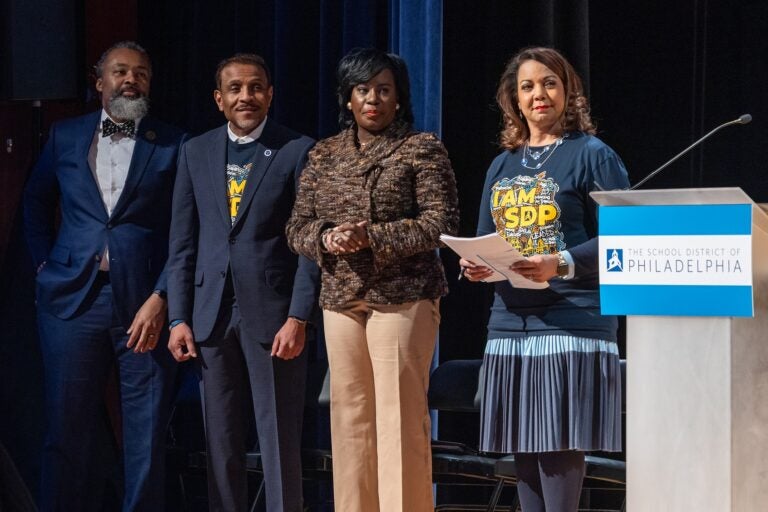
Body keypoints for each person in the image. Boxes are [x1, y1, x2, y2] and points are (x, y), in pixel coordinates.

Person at [286, 47, 459, 512]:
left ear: (399, 99)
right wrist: (327, 237)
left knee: (398, 419)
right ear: (348, 98)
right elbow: (297, 227)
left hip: (402, 297)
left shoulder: (422, 147)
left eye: (384, 90)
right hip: (341, 297)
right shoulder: (323, 154)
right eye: (363, 90)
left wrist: (372, 237)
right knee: (350, 421)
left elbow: (440, 223)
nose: (373, 99)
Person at [460, 46, 629, 511]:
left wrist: (562, 263)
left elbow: (627, 236)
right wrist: (476, 265)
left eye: (550, 83)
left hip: (572, 321)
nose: (539, 94)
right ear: (514, 100)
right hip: (509, 324)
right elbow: (483, 237)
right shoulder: (502, 164)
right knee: (526, 454)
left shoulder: (592, 154)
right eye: (528, 86)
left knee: (557, 447)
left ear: (567, 90)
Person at [23, 41, 186, 511]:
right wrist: (42, 265)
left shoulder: (175, 143)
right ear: (100, 83)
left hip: (144, 307)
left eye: (141, 73)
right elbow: (35, 202)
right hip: (71, 303)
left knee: (146, 437)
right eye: (120, 71)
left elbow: (186, 230)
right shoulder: (65, 136)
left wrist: (161, 298)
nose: (130, 79)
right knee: (65, 432)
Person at [165, 53, 319, 512]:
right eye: (235, 89)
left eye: (255, 87)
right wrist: (177, 317)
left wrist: (299, 316)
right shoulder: (196, 151)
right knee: (221, 445)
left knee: (278, 442)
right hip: (210, 316)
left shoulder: (296, 149)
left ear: (269, 94)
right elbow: (182, 243)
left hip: (273, 318)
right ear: (219, 99)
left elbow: (310, 244)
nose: (245, 96)